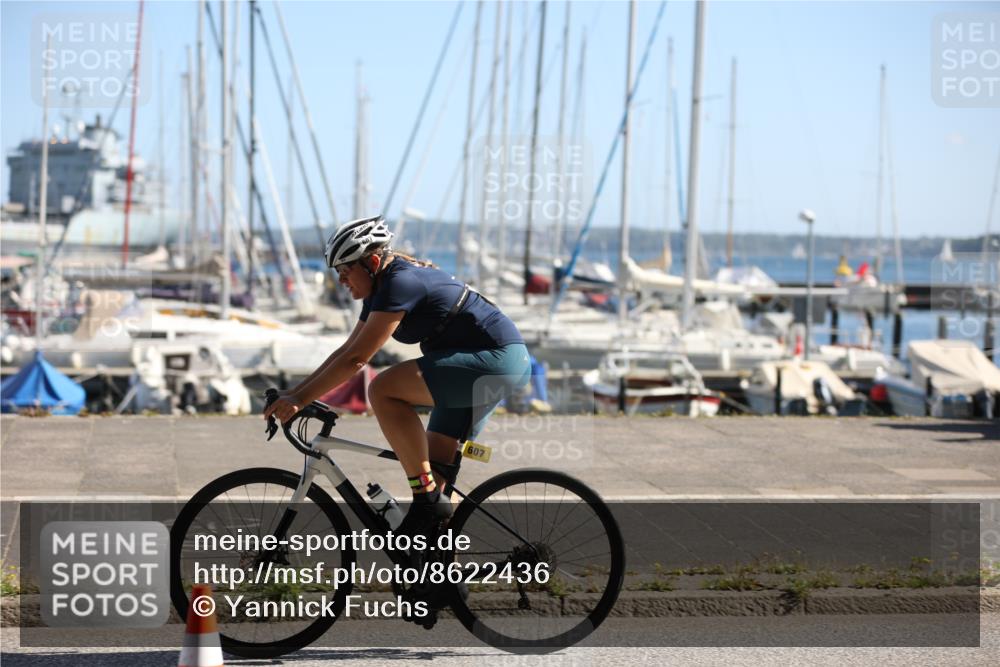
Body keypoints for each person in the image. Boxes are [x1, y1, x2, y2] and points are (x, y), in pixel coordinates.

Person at [263, 215, 530, 543]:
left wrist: (299, 401)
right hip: (481, 364)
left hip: (495, 360)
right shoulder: (380, 287)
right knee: (435, 480)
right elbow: (347, 349)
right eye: (337, 274)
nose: (342, 281)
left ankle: (426, 501)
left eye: (346, 271)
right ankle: (441, 578)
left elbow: (357, 360)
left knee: (384, 389)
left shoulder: (400, 283)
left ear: (372, 262)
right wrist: (295, 392)